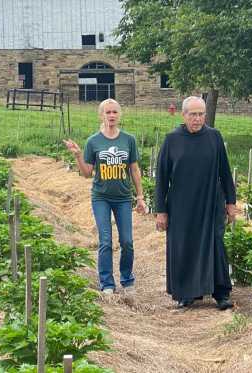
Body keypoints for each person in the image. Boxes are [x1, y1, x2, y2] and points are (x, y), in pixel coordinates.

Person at [155, 96, 237, 310]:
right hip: (181, 205)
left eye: (201, 114)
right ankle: (186, 294)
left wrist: (231, 202)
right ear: (184, 115)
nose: (198, 119)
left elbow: (225, 172)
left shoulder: (214, 137)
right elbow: (161, 178)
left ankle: (221, 293)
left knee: (216, 245)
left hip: (211, 201)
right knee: (183, 246)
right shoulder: (172, 139)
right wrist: (161, 211)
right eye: (193, 114)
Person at [63, 98, 146, 295]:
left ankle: (127, 280)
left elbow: (134, 169)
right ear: (101, 115)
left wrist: (140, 196)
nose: (111, 116)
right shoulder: (93, 141)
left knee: (127, 241)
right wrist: (77, 155)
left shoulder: (129, 140)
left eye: (115, 112)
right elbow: (86, 173)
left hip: (124, 198)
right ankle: (107, 283)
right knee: (106, 240)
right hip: (101, 197)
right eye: (107, 112)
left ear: (120, 115)